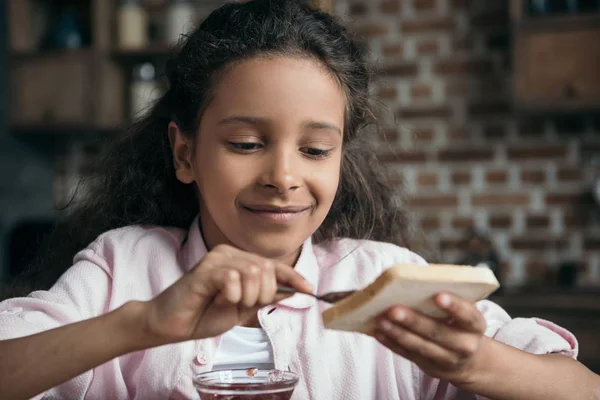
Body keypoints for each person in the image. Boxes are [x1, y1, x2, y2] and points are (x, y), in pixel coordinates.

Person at [0, 1, 598, 399]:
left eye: (315, 150)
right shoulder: (121, 269)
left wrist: (474, 366)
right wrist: (142, 324)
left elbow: (581, 387)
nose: (282, 175)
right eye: (246, 143)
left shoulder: (384, 277)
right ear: (185, 154)